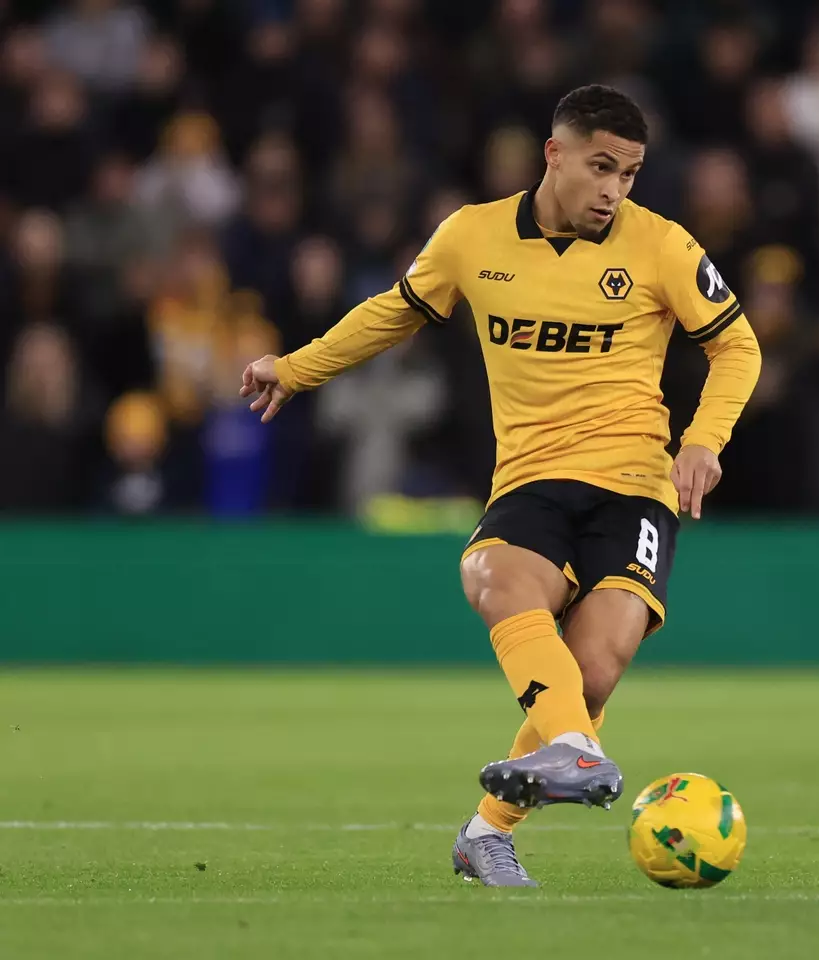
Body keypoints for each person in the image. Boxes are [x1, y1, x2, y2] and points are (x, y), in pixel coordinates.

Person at [237, 85, 762, 887]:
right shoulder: (471, 237)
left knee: (590, 674)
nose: (614, 189)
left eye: (628, 173)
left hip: (636, 484)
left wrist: (703, 442)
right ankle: (576, 755)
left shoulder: (663, 246)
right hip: (531, 478)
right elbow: (392, 313)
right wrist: (295, 368)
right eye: (600, 168)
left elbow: (740, 349)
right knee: (490, 573)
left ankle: (487, 832)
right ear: (553, 155)